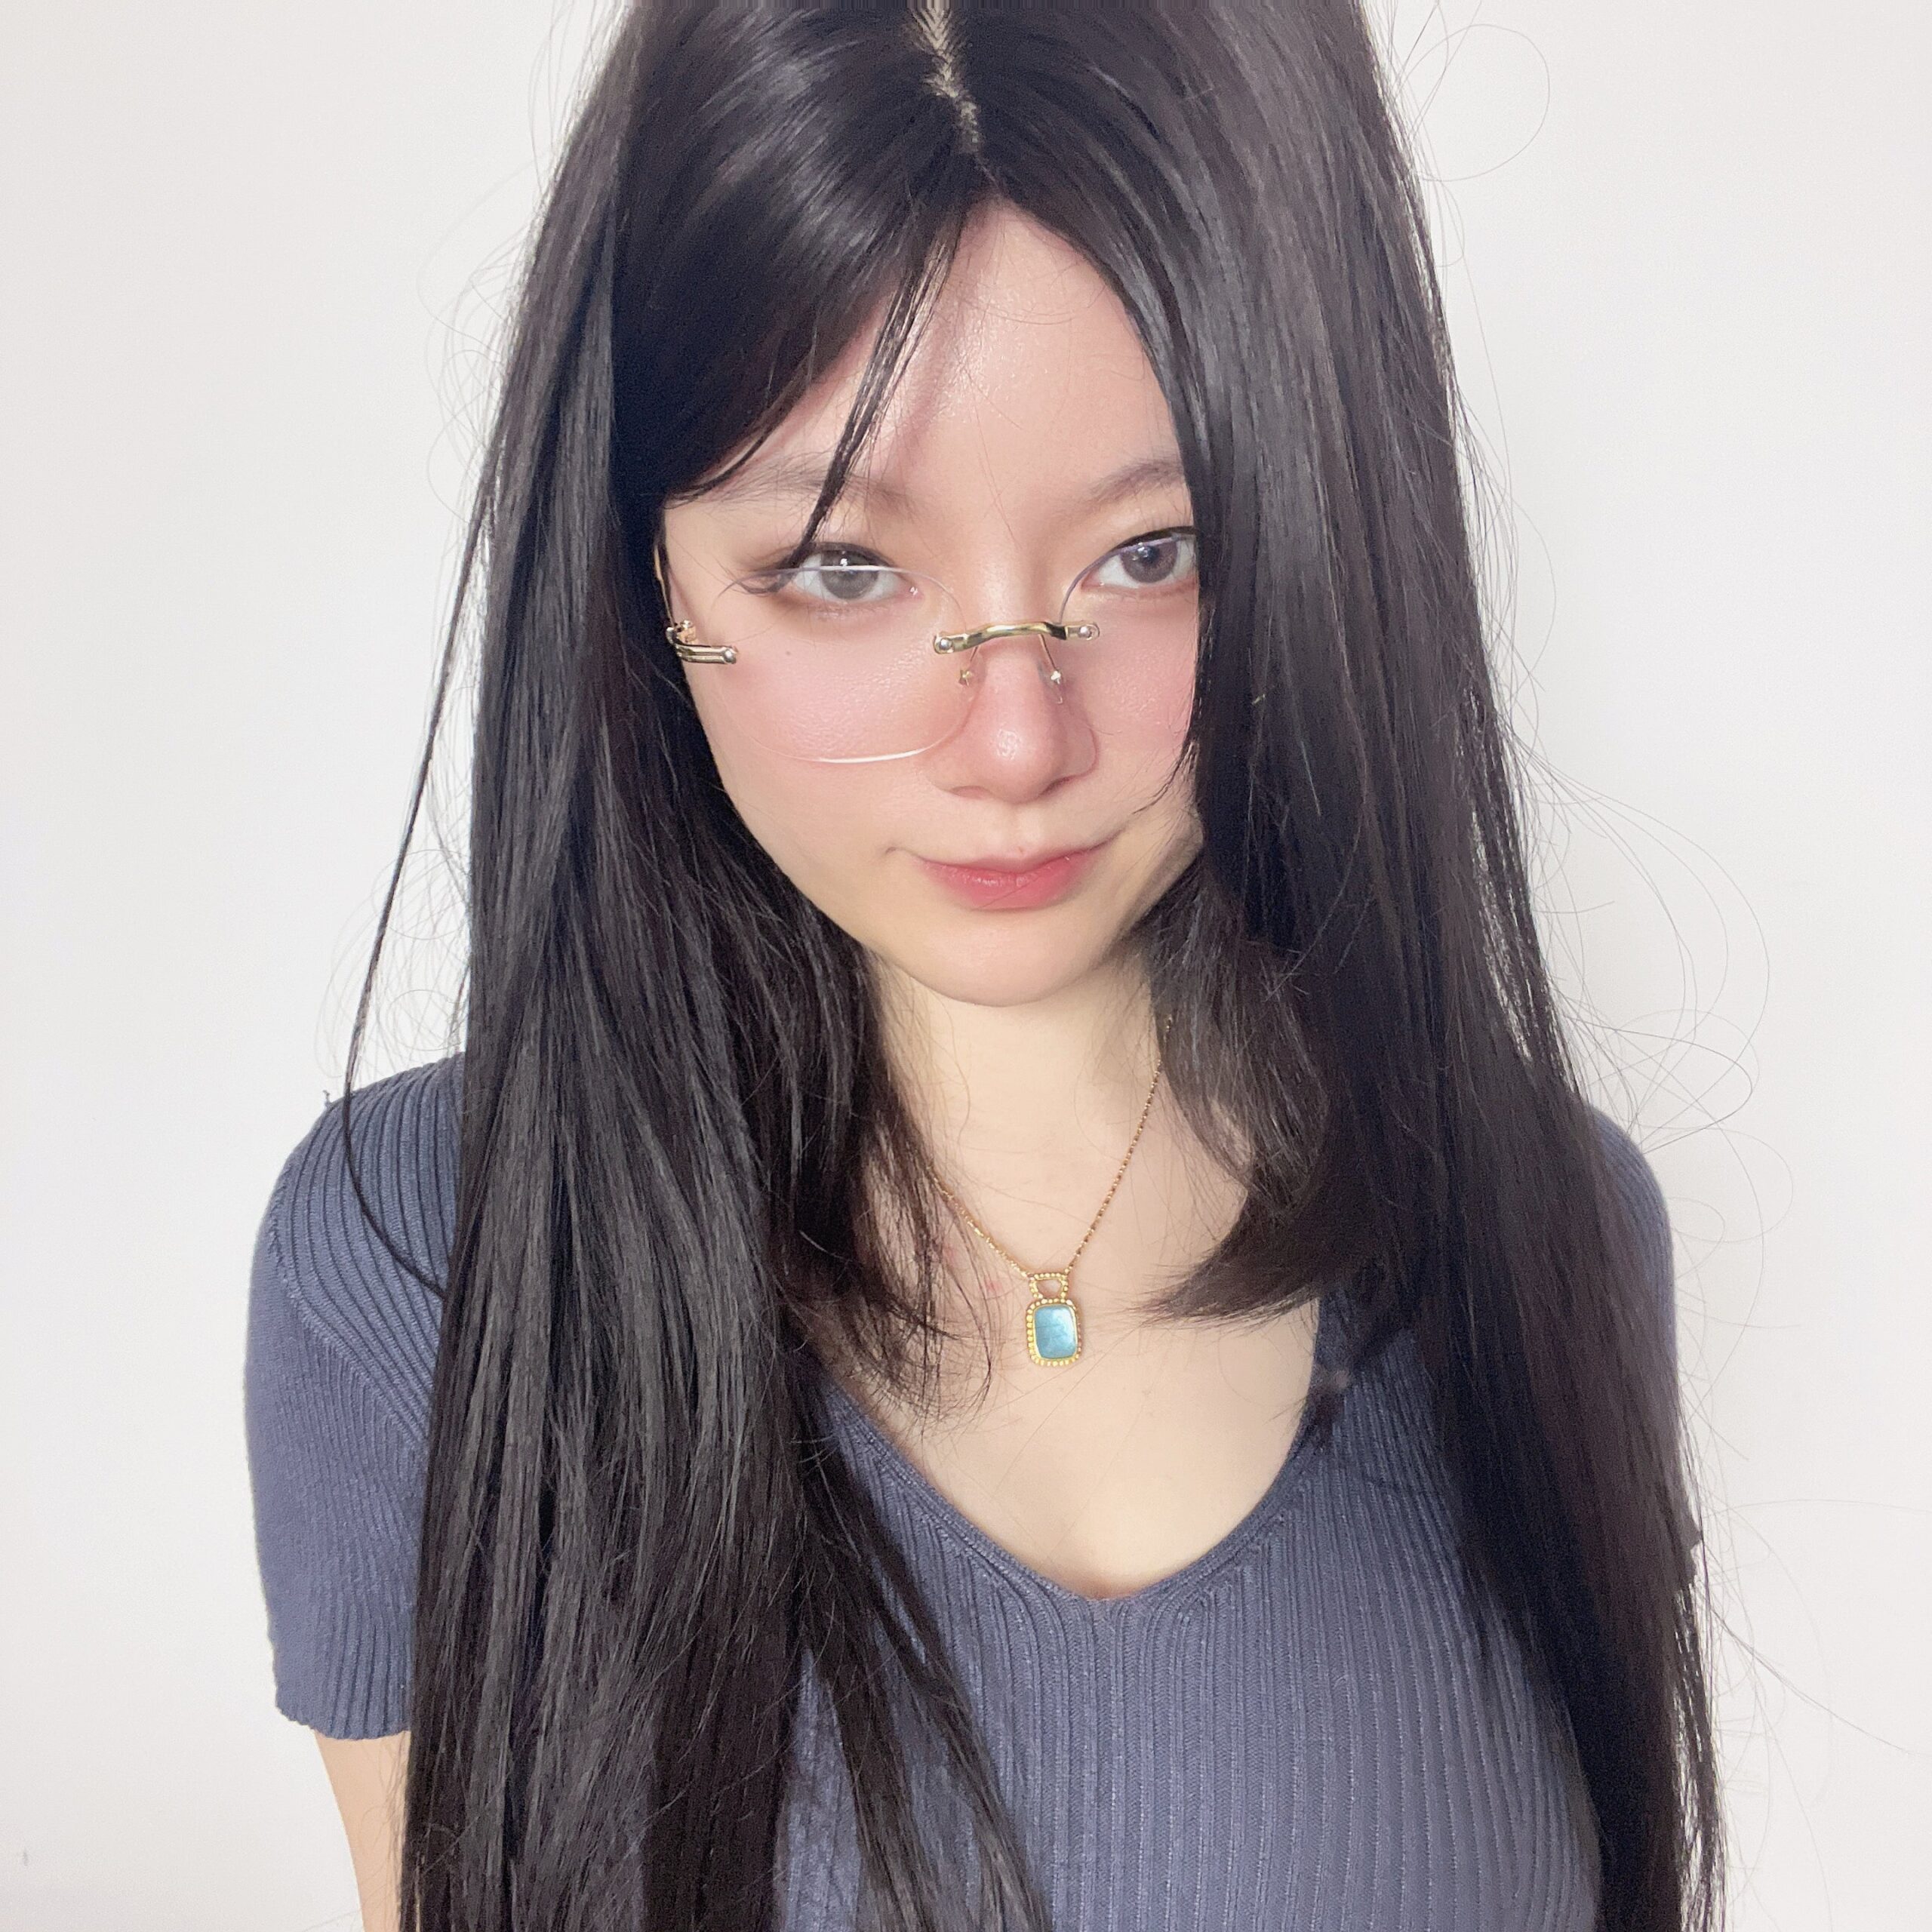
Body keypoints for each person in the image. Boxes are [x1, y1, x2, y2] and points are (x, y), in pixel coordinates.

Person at [242, 5, 1721, 1929]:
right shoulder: (416, 1270)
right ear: (640, 573)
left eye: (1154, 552)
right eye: (843, 568)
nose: (1017, 740)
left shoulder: (1549, 1234)